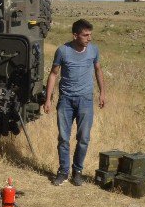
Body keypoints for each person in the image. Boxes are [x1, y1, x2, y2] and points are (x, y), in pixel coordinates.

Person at [43, 18, 107, 186]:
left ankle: (77, 171)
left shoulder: (93, 50)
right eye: (85, 35)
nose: (89, 38)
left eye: (90, 35)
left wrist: (102, 93)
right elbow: (53, 74)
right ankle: (63, 171)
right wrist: (48, 99)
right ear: (75, 35)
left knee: (84, 138)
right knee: (64, 138)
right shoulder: (63, 51)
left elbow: (98, 70)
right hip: (66, 101)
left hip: (85, 100)